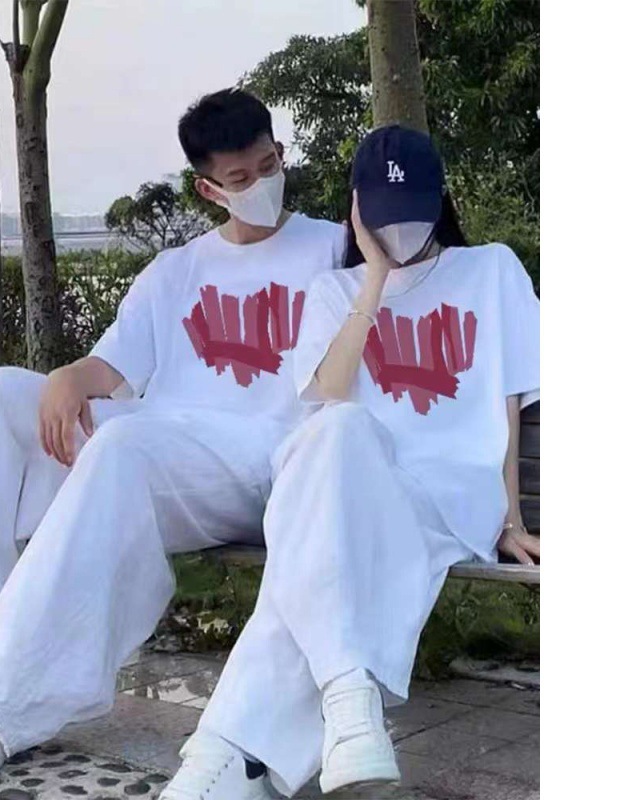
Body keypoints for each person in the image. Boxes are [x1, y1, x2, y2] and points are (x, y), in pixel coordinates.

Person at [0, 87, 345, 788]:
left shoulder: (335, 248)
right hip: (169, 444)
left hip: (266, 456)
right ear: (208, 188)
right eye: (240, 178)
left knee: (122, 448)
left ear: (280, 153)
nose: (260, 185)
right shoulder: (177, 271)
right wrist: (69, 374)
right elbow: (113, 368)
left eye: (268, 165)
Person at [162, 125, 540, 799]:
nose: (401, 229)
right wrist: (373, 281)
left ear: (440, 198)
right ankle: (328, 717)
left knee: (311, 547)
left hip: (449, 496)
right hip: (362, 491)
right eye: (384, 216)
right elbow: (329, 392)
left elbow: (506, 401)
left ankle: (229, 755)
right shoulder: (334, 292)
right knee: (337, 432)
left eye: (414, 211)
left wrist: (510, 517)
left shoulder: (491, 270)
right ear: (358, 210)